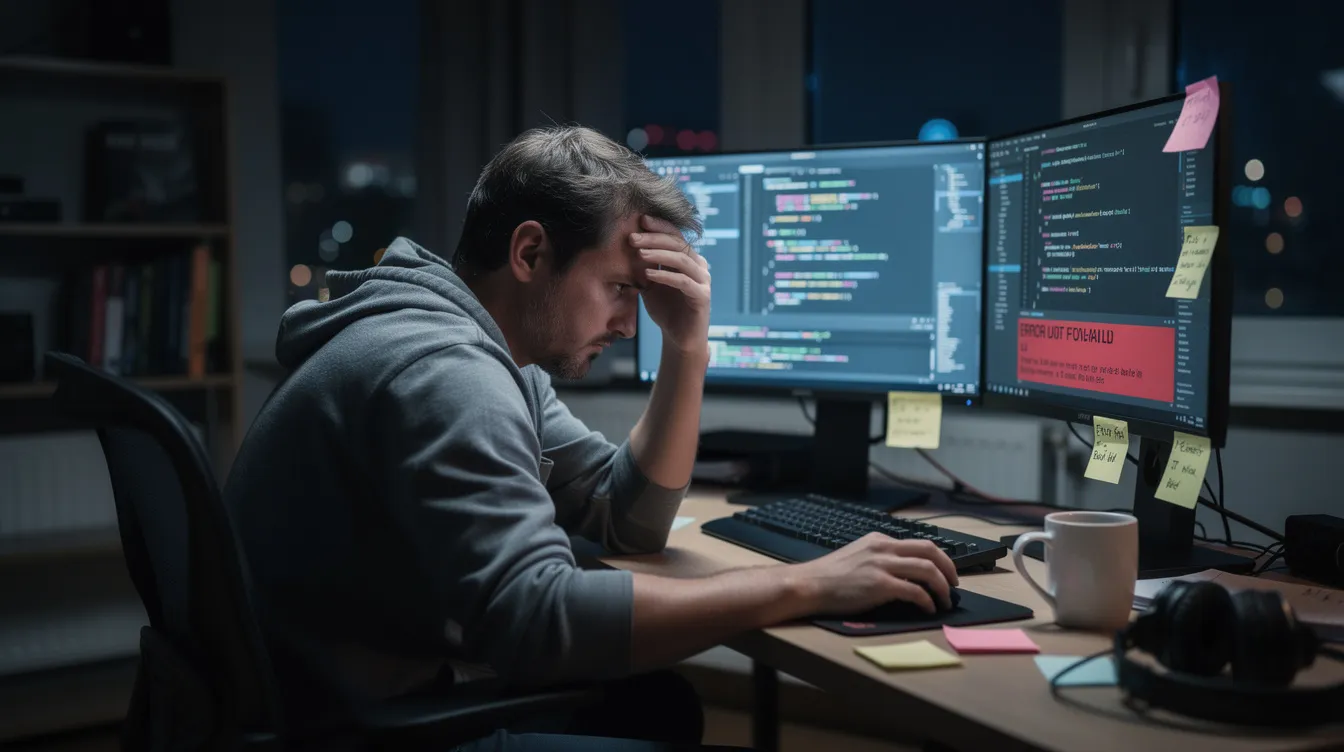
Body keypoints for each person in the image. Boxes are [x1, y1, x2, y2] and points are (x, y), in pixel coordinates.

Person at [224, 126, 958, 751]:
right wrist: (808, 583)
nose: (630, 323)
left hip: (340, 689)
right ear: (531, 253)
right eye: (619, 288)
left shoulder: (480, 350)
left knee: (659, 704)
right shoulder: (448, 374)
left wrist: (686, 349)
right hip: (347, 725)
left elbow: (625, 521)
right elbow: (538, 623)